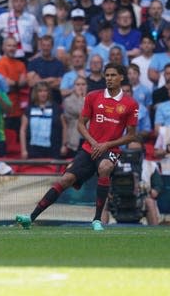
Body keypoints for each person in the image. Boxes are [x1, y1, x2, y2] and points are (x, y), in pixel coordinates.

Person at [16, 63, 139, 231]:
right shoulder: (93, 96)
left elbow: (131, 135)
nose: (109, 79)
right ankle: (30, 217)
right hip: (90, 148)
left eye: (112, 75)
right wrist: (94, 143)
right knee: (65, 179)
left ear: (121, 77)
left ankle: (96, 220)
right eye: (107, 75)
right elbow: (81, 124)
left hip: (110, 150)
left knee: (105, 167)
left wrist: (106, 145)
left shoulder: (130, 104)